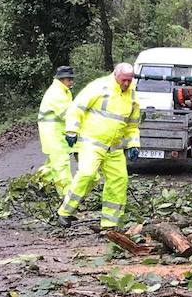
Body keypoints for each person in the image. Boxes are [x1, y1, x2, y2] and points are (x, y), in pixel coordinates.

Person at [56, 62, 141, 233]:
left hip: (115, 148)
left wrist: (133, 144)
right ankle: (65, 212)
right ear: (115, 75)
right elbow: (76, 108)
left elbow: (132, 125)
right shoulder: (98, 87)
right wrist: (71, 130)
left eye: (129, 80)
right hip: (92, 143)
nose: (126, 83)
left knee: (119, 181)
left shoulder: (132, 95)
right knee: (87, 174)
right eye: (124, 80)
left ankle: (109, 224)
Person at [37, 65, 75, 196]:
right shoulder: (57, 93)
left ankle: (38, 183)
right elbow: (68, 115)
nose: (71, 82)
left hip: (56, 132)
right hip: (52, 133)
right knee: (61, 163)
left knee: (53, 162)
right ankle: (66, 195)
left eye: (72, 79)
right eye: (69, 79)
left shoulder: (64, 91)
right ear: (61, 79)